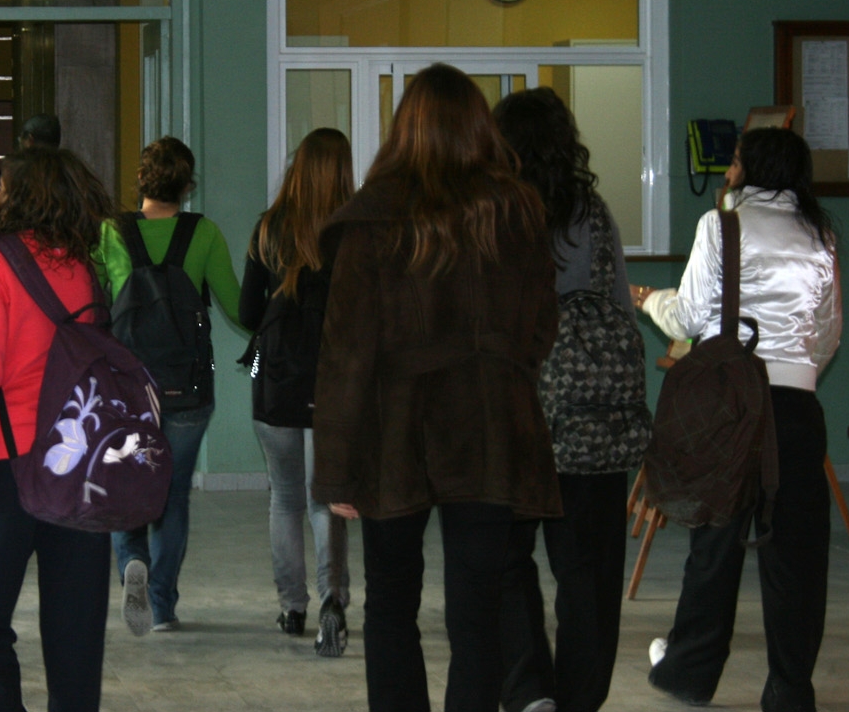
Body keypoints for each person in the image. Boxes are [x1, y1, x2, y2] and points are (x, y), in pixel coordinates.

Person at [312, 63, 561, 712]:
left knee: (392, 603)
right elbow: (542, 325)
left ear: (405, 129)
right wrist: (503, 374)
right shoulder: (518, 211)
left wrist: (336, 469)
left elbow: (345, 354)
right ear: (481, 126)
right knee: (477, 611)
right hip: (490, 427)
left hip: (394, 431)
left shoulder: (374, 217)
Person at [635, 126, 841, 712]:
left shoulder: (720, 225)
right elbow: (828, 333)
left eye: (735, 163)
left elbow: (688, 316)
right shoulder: (821, 235)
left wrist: (649, 299)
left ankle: (690, 672)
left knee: (715, 541)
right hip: (797, 409)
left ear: (750, 170)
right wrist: (794, 370)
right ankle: (790, 689)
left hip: (731, 406)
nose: (727, 172)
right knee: (798, 555)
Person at [0, 147, 117, 712]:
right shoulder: (83, 265)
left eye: (1, 186)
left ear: (19, 195)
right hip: (79, 459)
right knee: (77, 624)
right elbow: (28, 331)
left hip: (9, 462)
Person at [493, 87, 642, 712]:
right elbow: (619, 308)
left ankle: (530, 689)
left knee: (503, 558)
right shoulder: (595, 213)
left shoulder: (496, 213)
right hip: (591, 420)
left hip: (514, 413)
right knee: (590, 572)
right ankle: (580, 697)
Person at [95, 134, 241, 634]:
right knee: (173, 496)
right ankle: (161, 605)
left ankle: (131, 561)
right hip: (187, 389)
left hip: (127, 388)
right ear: (187, 186)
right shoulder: (205, 233)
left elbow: (92, 303)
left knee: (126, 484)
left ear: (142, 178)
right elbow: (237, 307)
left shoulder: (111, 233)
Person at [239, 127, 353, 655]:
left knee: (284, 497)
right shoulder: (353, 232)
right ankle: (334, 602)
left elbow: (247, 312)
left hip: (276, 382)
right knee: (326, 497)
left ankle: (292, 607)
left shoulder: (269, 228)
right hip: (334, 382)